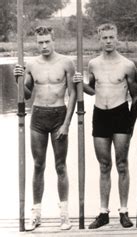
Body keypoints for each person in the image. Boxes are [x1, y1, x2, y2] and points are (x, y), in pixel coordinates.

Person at [72, 23, 137, 229]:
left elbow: (136, 97)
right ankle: (103, 213)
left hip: (121, 115)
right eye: (104, 38)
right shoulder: (93, 64)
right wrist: (80, 83)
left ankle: (124, 212)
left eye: (112, 37)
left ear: (116, 38)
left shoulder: (127, 65)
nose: (108, 41)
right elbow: (92, 90)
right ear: (99, 39)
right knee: (103, 165)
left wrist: (131, 124)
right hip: (100, 115)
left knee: (121, 165)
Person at [13, 26, 77, 231]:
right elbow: (26, 96)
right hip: (39, 116)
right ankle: (36, 213)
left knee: (60, 166)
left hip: (59, 115)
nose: (44, 46)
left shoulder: (66, 63)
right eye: (40, 42)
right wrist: (18, 79)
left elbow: (73, 94)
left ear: (53, 40)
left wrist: (67, 123)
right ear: (36, 43)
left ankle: (64, 215)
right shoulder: (31, 65)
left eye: (47, 41)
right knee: (38, 165)